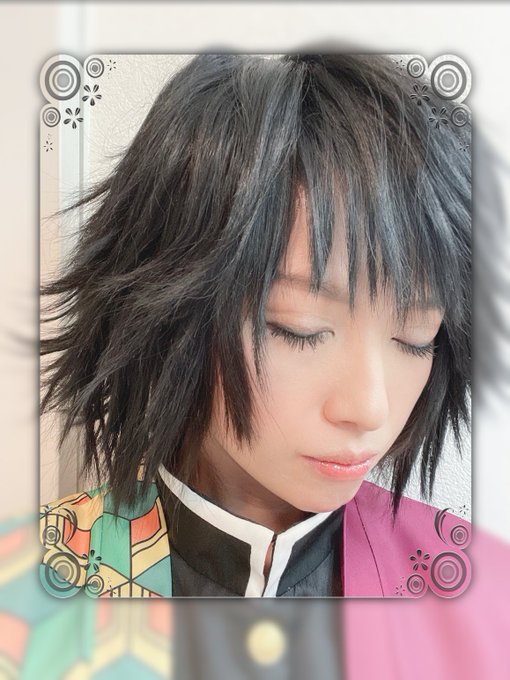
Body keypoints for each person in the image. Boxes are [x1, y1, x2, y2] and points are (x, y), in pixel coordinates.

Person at [39, 53, 471, 598]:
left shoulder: (479, 592)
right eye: (300, 327)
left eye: (415, 337)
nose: (369, 409)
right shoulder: (25, 593)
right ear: (170, 313)